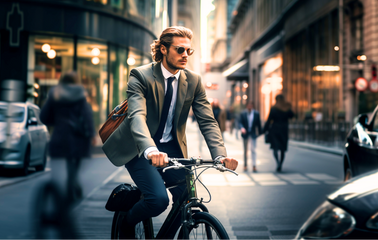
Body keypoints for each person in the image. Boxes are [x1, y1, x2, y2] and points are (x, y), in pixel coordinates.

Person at [101, 26, 238, 240]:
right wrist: (150, 150)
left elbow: (208, 120)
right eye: (180, 50)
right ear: (163, 49)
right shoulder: (141, 75)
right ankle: (127, 222)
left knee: (186, 196)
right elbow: (137, 116)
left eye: (188, 51)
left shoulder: (193, 81)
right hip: (140, 148)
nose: (185, 55)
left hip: (171, 149)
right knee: (158, 200)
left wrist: (220, 155)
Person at [40, 71, 95, 204]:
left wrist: (56, 122)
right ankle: (72, 187)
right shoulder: (81, 95)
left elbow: (44, 116)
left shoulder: (55, 94)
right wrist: (92, 134)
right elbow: (87, 116)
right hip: (78, 138)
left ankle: (60, 192)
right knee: (73, 165)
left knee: (58, 169)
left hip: (60, 135)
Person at [263, 94, 294, 172]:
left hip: (275, 130)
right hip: (284, 130)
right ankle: (281, 163)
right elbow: (292, 116)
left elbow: (269, 120)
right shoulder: (286, 108)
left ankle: (278, 163)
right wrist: (290, 107)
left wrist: (263, 130)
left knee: (275, 148)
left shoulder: (274, 108)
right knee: (282, 148)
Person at [238, 102, 262, 172]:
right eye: (248, 106)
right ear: (246, 106)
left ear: (252, 106)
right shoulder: (243, 113)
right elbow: (240, 122)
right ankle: (245, 165)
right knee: (245, 150)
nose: (249, 107)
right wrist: (242, 128)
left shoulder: (256, 113)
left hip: (253, 133)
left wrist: (260, 133)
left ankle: (254, 165)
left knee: (253, 150)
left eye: (251, 106)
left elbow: (259, 124)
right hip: (245, 134)